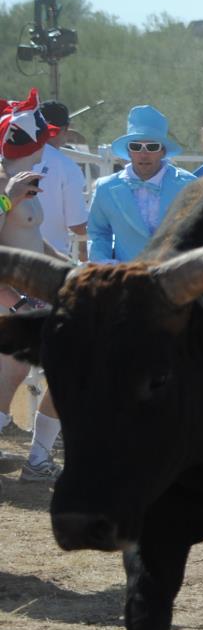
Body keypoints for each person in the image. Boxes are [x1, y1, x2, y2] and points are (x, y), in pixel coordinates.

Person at [0, 90, 65, 481]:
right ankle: (39, 459)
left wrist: (67, 267)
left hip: (23, 298)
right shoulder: (6, 184)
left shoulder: (25, 180)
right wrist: (7, 198)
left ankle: (38, 461)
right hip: (11, 298)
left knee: (14, 377)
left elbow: (31, 238)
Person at [87, 105, 198, 263]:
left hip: (174, 281)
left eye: (152, 147)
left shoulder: (189, 186)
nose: (144, 154)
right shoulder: (105, 188)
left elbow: (200, 233)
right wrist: (106, 264)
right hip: (125, 280)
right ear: (129, 151)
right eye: (136, 146)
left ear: (163, 151)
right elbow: (98, 234)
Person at [32, 101, 90, 261]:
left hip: (9, 260)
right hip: (48, 261)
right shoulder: (66, 166)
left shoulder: (8, 159)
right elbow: (77, 225)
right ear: (65, 129)